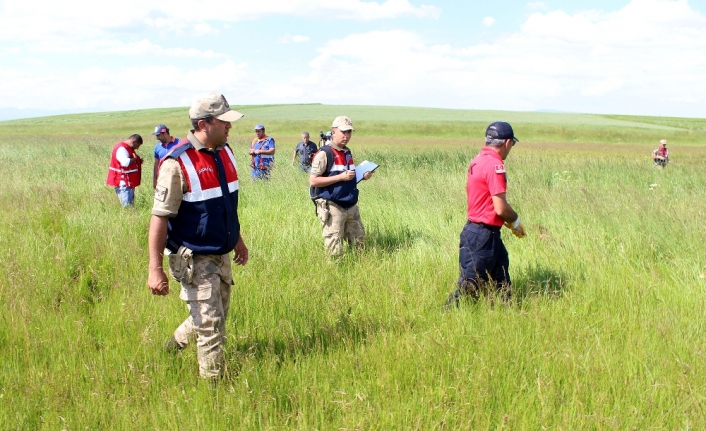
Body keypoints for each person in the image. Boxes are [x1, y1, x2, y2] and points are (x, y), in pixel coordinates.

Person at [147, 93, 249, 379]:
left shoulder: (225, 152)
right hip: (194, 257)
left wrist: (237, 241)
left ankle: (173, 346)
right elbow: (159, 217)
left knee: (216, 314)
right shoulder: (176, 164)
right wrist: (154, 269)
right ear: (204, 124)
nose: (230, 126)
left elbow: (224, 204)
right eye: (224, 121)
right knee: (212, 327)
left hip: (222, 252)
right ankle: (215, 391)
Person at [444, 122, 526, 308]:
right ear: (507, 143)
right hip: (482, 236)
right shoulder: (495, 165)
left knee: (501, 282)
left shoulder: (478, 159)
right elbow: (500, 207)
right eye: (512, 144)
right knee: (469, 287)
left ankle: (507, 317)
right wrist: (515, 220)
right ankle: (444, 316)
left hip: (484, 233)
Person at [309, 116, 374, 256]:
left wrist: (362, 176)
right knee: (334, 250)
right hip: (333, 206)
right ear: (333, 132)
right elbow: (313, 181)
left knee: (360, 244)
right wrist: (341, 177)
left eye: (349, 132)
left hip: (351, 205)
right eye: (343, 132)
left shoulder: (347, 152)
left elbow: (349, 177)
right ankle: (333, 275)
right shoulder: (324, 153)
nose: (346, 136)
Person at [106, 134, 143, 207]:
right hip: (124, 182)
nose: (137, 148)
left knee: (130, 206)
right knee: (127, 207)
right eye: (137, 145)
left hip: (128, 182)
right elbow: (125, 162)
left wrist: (138, 161)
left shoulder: (126, 148)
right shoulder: (122, 148)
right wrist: (135, 159)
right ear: (133, 141)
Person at [151, 124, 181, 188]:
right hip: (163, 177)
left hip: (178, 176)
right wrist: (154, 180)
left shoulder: (179, 143)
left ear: (165, 133)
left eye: (158, 135)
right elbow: (156, 163)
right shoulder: (157, 147)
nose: (157, 138)